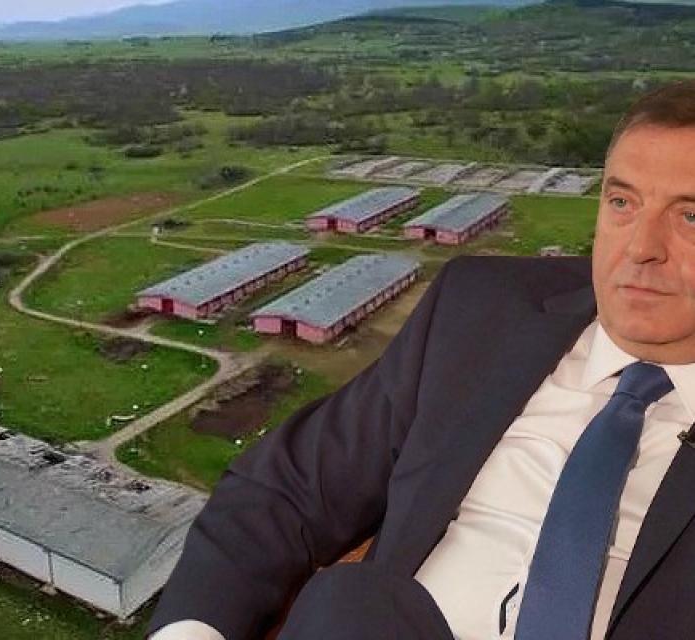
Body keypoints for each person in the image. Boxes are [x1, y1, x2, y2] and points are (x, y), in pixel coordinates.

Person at [147, 80, 695, 640]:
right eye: (622, 202)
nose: (640, 248)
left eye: (690, 217)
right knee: (350, 607)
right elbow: (286, 488)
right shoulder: (482, 312)